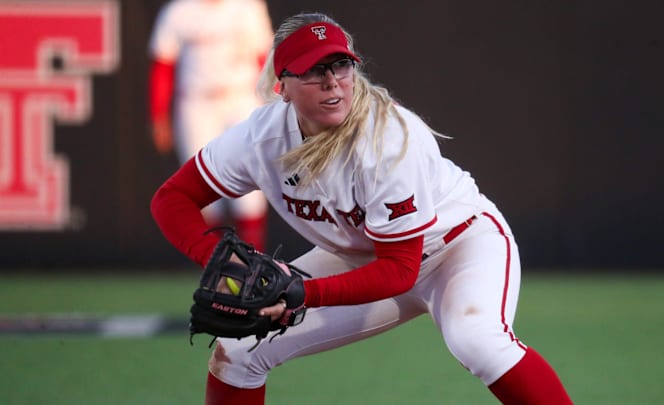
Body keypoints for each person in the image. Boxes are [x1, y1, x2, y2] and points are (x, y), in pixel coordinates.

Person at [151, 12, 573, 405]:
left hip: (457, 246)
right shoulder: (260, 139)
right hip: (363, 255)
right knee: (240, 351)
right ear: (282, 85)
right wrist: (222, 260)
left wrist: (303, 294)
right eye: (316, 70)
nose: (333, 81)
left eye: (341, 66)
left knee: (478, 340)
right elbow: (172, 199)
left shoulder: (388, 140)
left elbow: (400, 270)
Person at [148, 0, 273, 251]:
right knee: (203, 190)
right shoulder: (179, 11)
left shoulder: (247, 7)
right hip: (197, 104)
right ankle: (218, 268)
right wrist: (158, 117)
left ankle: (252, 267)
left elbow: (266, 60)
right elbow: (163, 66)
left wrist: (276, 105)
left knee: (250, 192)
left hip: (242, 99)